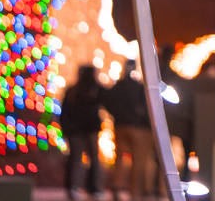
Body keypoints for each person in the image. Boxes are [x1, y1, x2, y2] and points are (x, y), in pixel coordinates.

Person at [102, 60, 154, 201]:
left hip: (120, 126)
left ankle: (117, 187)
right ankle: (134, 192)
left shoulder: (117, 87)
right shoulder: (139, 87)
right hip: (138, 128)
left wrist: (117, 115)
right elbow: (148, 106)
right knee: (137, 161)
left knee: (119, 158)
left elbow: (107, 101)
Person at [60, 65, 104, 200]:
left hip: (79, 130)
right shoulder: (93, 90)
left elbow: (64, 112)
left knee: (78, 159)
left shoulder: (75, 91)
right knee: (85, 159)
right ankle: (90, 188)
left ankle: (77, 187)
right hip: (82, 130)